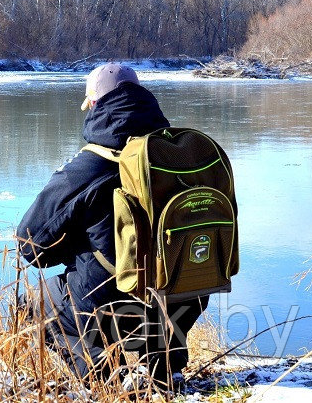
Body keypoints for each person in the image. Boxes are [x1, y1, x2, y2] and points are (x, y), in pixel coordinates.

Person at [16, 63, 208, 385]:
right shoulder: (178, 152)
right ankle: (164, 369)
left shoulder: (89, 165)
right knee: (154, 282)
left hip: (116, 307)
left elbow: (30, 245)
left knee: (33, 301)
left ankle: (102, 377)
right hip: (185, 299)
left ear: (93, 105)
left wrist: (74, 247)